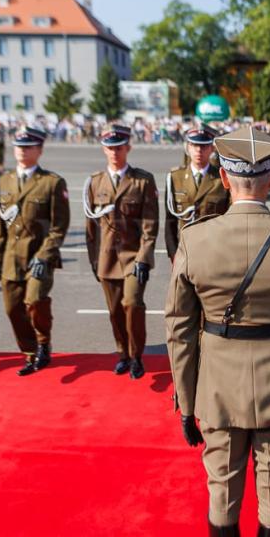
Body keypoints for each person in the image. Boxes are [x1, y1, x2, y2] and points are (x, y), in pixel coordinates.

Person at [165, 125, 270, 537]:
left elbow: (179, 332)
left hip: (217, 388)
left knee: (222, 491)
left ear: (223, 178)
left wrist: (187, 403)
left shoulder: (195, 239)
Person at [0, 127, 70, 376]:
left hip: (39, 256)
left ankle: (44, 343)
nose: (23, 151)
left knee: (34, 301)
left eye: (28, 147)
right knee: (12, 308)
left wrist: (46, 255)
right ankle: (29, 351)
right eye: (19, 147)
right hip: (10, 257)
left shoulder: (52, 182)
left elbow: (59, 227)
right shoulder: (4, 180)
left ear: (39, 150)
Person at [84, 124, 159, 379]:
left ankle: (136, 356)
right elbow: (91, 228)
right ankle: (123, 353)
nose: (115, 152)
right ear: (103, 149)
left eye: (119, 147)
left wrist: (144, 258)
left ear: (128, 147)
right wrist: (94, 261)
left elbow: (150, 224)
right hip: (106, 258)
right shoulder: (95, 182)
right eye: (110, 147)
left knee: (132, 303)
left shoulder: (143, 180)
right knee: (115, 310)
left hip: (133, 257)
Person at [165, 124, 229, 260]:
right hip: (184, 252)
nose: (199, 150)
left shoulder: (222, 179)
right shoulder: (175, 177)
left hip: (213, 252)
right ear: (187, 147)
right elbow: (170, 222)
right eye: (194, 145)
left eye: (204, 146)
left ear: (212, 148)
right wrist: (173, 254)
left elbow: (229, 220)